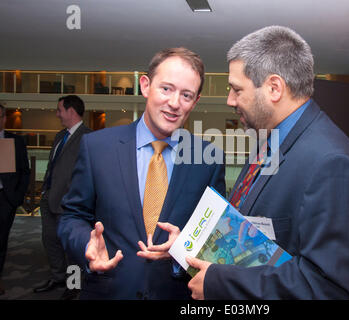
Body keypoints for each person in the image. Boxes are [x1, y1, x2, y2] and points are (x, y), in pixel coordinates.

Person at [148, 26, 349, 299]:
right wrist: (187, 248)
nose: (230, 100)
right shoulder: (271, 143)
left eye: (236, 89)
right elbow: (247, 237)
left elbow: (330, 289)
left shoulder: (331, 164)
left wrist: (220, 283)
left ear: (274, 88)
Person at [57, 47, 226, 300]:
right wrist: (87, 244)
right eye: (166, 88)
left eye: (186, 95)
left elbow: (217, 238)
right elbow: (71, 216)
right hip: (110, 291)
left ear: (195, 101)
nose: (174, 103)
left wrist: (181, 249)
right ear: (145, 86)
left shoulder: (208, 159)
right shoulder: (97, 147)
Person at [34, 95, 91, 299]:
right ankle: (58, 277)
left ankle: (73, 284)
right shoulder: (60, 136)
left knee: (72, 248)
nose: (57, 114)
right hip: (49, 200)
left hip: (70, 205)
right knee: (50, 241)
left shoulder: (88, 138)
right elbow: (53, 167)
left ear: (71, 111)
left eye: (59, 110)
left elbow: (88, 174)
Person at [0, 104, 31, 296]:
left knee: (1, 241)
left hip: (5, 199)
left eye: (1, 116)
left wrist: (17, 197)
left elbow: (24, 171)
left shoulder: (16, 141)